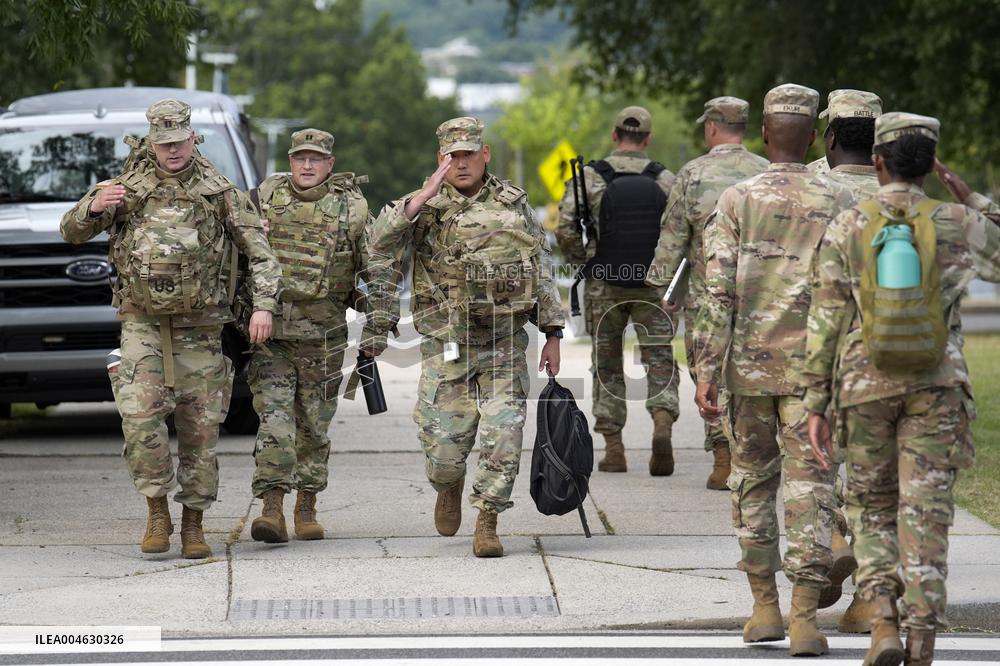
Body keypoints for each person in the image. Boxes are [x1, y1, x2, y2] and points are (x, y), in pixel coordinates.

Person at [803, 112, 1000, 666]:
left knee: (871, 507)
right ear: (930, 166)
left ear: (879, 162)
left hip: (864, 386)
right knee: (927, 512)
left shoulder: (849, 225)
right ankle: (923, 640)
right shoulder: (957, 221)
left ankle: (883, 623)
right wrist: (976, 200)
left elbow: (825, 318)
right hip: (937, 386)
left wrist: (816, 399)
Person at [60, 99, 280, 559]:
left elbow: (261, 254)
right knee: (141, 424)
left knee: (200, 431)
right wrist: (94, 206)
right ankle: (156, 509)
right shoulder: (125, 188)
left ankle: (194, 524)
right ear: (152, 143)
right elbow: (72, 232)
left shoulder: (219, 192)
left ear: (192, 138)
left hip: (201, 329)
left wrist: (263, 308)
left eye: (179, 142)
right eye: (164, 144)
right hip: (142, 326)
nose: (172, 151)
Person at [693, 84, 856, 656]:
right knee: (812, 487)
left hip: (747, 372)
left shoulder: (736, 199)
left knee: (752, 485)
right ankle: (805, 618)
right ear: (812, 136)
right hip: (817, 374)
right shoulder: (840, 201)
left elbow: (716, 294)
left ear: (765, 135)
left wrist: (706, 368)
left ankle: (763, 607)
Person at [364, 117, 564, 557]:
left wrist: (553, 331)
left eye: (469, 154)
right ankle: (448, 485)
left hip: (504, 342)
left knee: (505, 435)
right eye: (452, 156)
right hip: (446, 343)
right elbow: (377, 242)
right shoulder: (424, 207)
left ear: (485, 154)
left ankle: (488, 520)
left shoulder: (514, 204)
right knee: (443, 447)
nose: (461, 163)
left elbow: (540, 268)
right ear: (440, 159)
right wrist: (422, 196)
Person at [247, 128, 370, 544]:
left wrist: (379, 320)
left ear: (329, 165)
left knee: (314, 427)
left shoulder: (351, 208)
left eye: (315, 159)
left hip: (325, 337)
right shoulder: (266, 195)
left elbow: (373, 265)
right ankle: (272, 507)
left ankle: (307, 505)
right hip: (274, 335)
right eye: (300, 157)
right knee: (275, 420)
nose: (306, 165)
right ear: (290, 159)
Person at [645, 96, 768, 490]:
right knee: (751, 372)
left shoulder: (693, 174)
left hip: (706, 294)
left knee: (708, 373)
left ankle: (722, 457)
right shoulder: (765, 172)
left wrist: (661, 287)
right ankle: (752, 452)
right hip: (760, 296)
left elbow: (674, 236)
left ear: (712, 127)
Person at [555, 106, 679, 475]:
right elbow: (678, 232)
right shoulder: (666, 180)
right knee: (659, 359)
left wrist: (586, 259)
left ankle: (614, 448)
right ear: (648, 138)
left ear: (614, 135)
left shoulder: (591, 177)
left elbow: (564, 229)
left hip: (604, 282)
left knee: (607, 365)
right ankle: (662, 425)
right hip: (651, 285)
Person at [812, 87, 884, 633]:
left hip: (823, 345)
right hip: (890, 351)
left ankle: (832, 536)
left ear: (830, 132)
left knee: (817, 460)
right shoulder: (902, 187)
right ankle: (869, 603)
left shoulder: (811, 185)